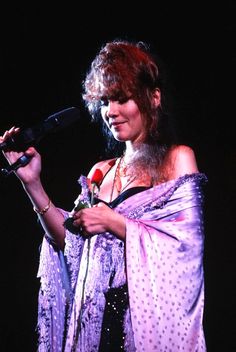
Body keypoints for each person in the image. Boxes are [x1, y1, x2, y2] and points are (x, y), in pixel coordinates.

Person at [0, 39, 207, 351]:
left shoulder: (177, 160)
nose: (111, 111)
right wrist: (32, 184)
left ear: (153, 98)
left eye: (122, 99)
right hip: (94, 333)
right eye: (106, 101)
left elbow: (185, 250)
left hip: (142, 331)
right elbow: (71, 246)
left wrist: (115, 223)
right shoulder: (101, 172)